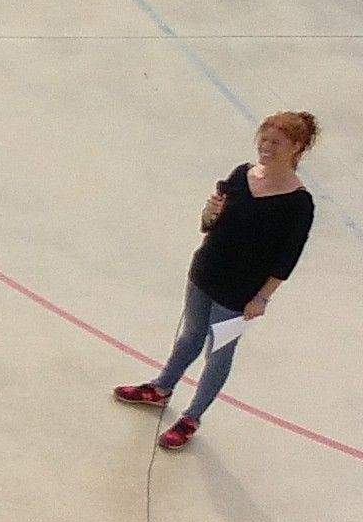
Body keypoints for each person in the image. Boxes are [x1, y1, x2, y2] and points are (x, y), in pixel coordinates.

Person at [116, 111, 321, 448]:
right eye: (264, 139)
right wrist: (208, 215)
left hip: (240, 292)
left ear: (296, 148)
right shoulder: (242, 175)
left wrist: (262, 297)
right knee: (190, 336)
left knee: (219, 355)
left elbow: (288, 257)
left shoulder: (299, 203)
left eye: (276, 143)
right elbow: (212, 224)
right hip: (205, 272)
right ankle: (161, 387)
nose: (266, 148)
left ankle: (191, 417)